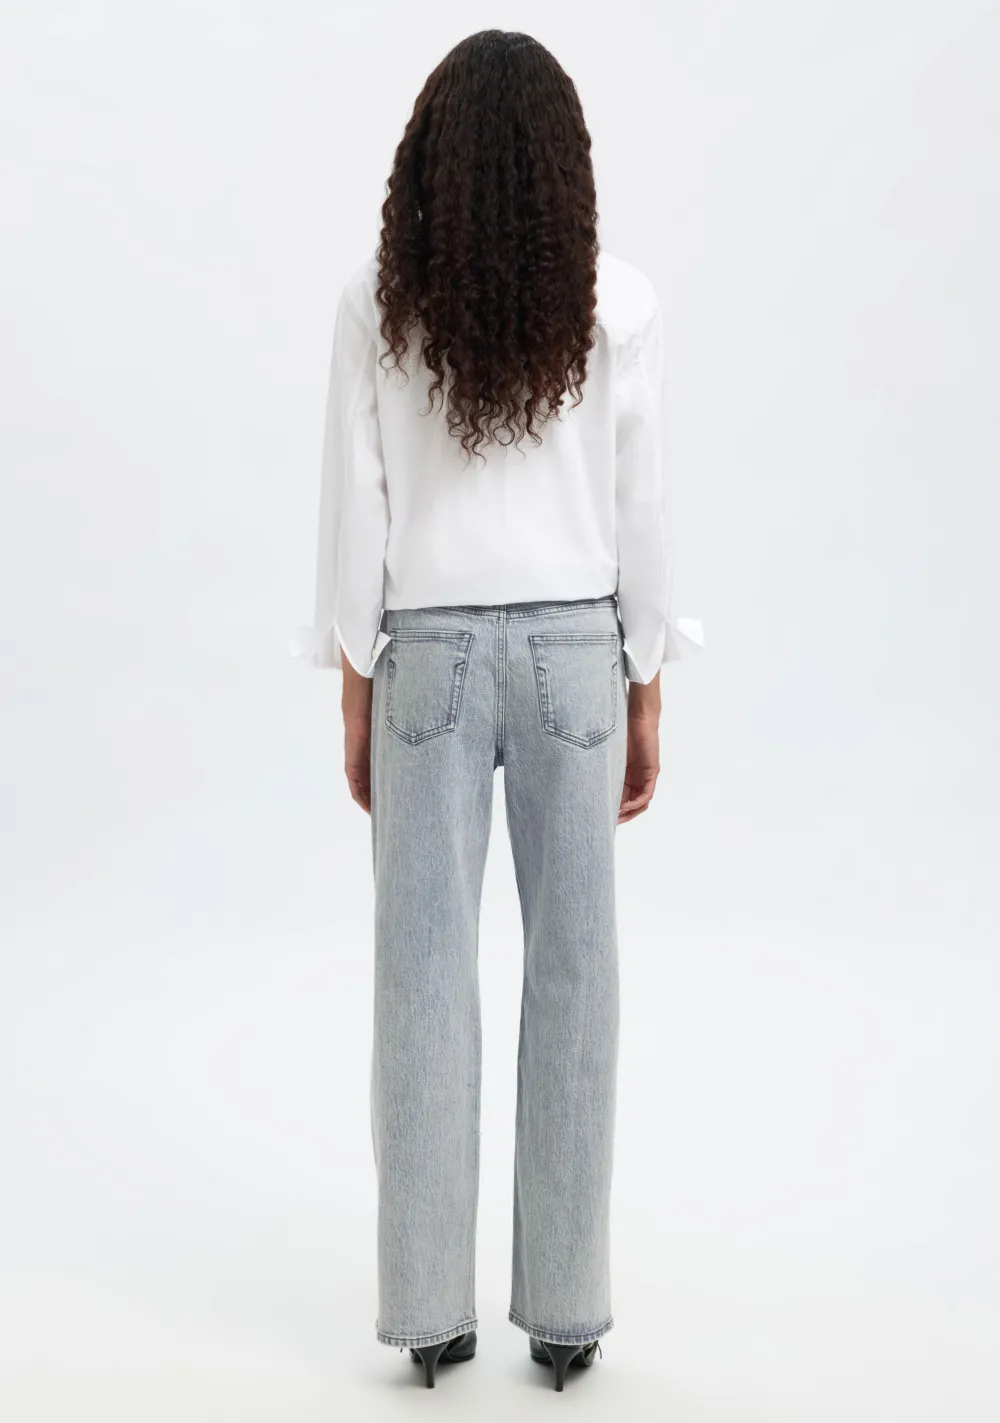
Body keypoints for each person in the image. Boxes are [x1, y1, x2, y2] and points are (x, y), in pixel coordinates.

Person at [291, 28, 702, 1391]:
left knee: (421, 979)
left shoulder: (379, 303)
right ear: (565, 166)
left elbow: (359, 515)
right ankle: (568, 1312)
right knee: (578, 974)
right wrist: (646, 686)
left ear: (429, 161)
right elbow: (641, 512)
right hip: (579, 654)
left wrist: (357, 693)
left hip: (428, 655)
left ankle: (428, 1312)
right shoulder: (617, 302)